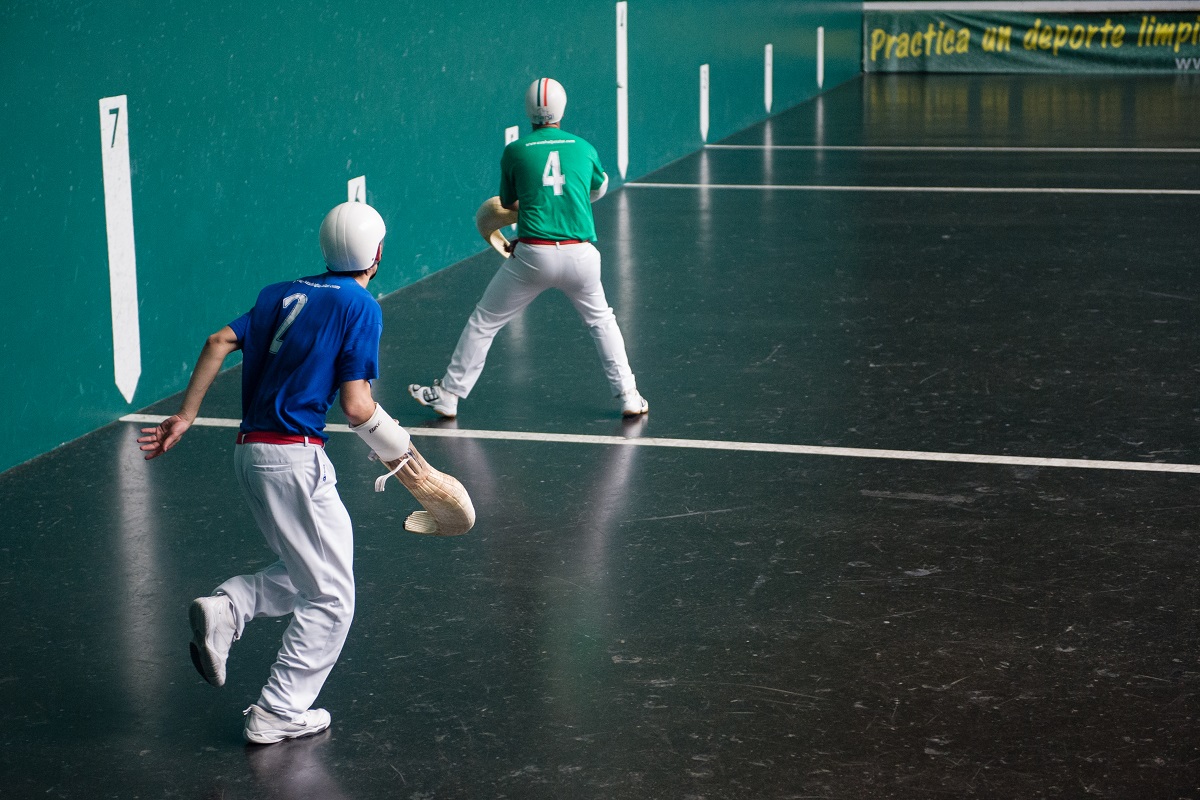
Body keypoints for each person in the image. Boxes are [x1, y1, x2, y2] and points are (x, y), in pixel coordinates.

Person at [138, 201, 415, 744]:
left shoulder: (279, 292)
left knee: (315, 568)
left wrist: (187, 415)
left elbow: (219, 340)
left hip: (251, 452)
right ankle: (278, 710)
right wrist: (400, 451)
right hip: (294, 459)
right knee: (333, 598)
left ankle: (229, 608)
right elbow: (357, 407)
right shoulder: (361, 305)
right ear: (377, 253)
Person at [408, 77, 648, 419]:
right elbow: (598, 187)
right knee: (602, 322)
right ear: (563, 108)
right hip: (580, 256)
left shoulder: (516, 150)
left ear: (528, 111)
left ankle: (449, 395)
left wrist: (538, 201)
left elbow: (506, 204)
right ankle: (629, 396)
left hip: (533, 255)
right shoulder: (584, 147)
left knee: (484, 322)